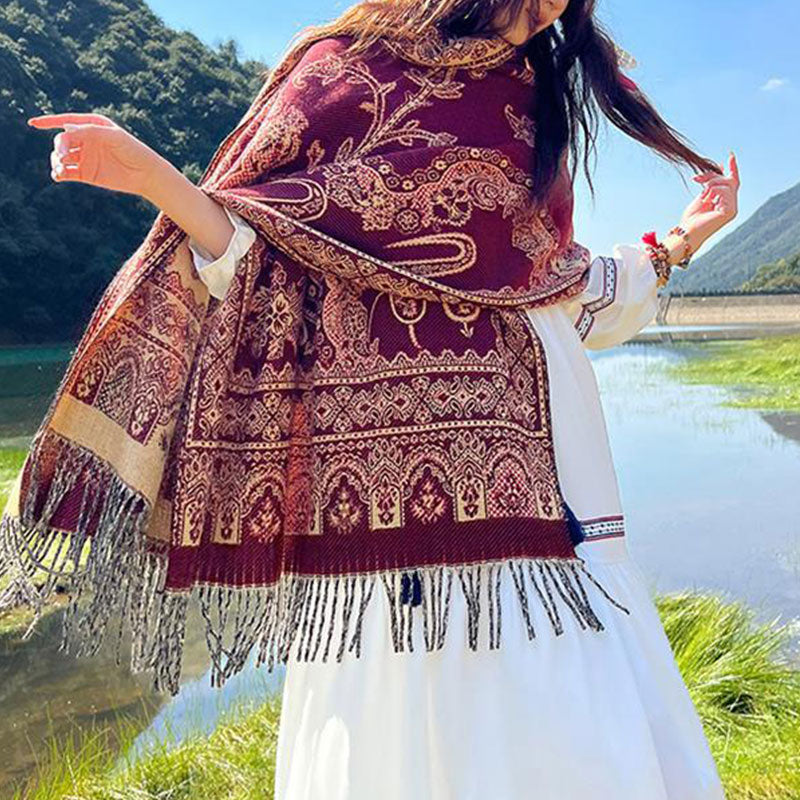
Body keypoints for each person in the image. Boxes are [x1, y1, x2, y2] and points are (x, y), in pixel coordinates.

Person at [21, 0, 741, 797]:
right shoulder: (349, 68)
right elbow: (261, 244)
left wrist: (686, 237)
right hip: (380, 510)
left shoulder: (532, 107)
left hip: (548, 498)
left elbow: (564, 294)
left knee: (575, 733)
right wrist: (149, 177)